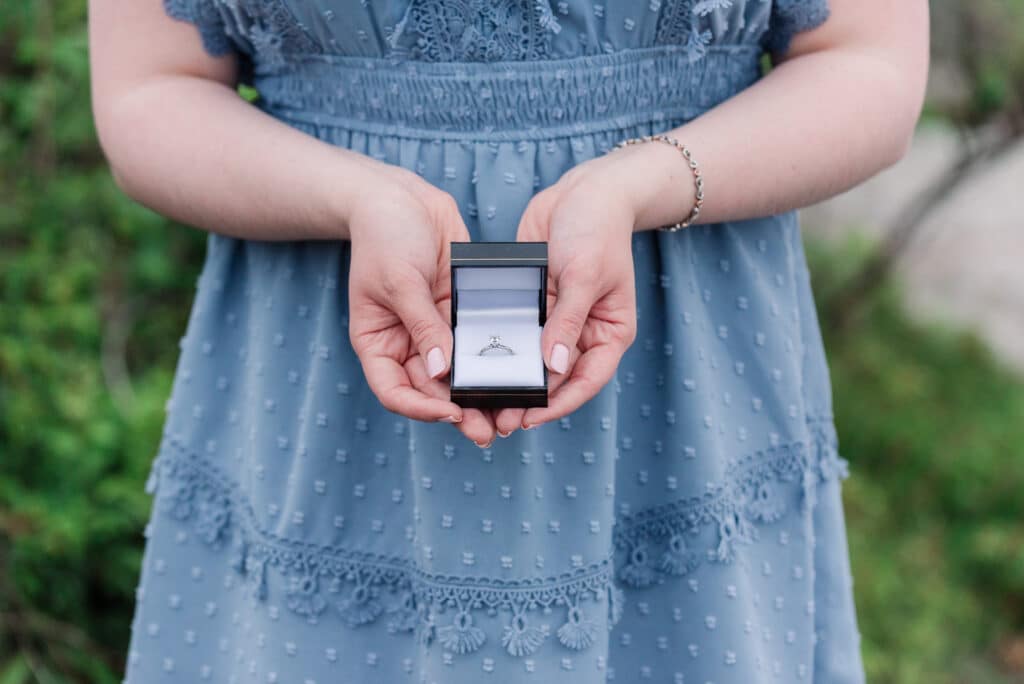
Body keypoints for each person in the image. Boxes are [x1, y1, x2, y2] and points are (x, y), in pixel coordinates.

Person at [88, 1, 928, 681]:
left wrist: (652, 179)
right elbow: (147, 90)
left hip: (681, 407)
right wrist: (347, 195)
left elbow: (868, 61)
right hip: (321, 403)